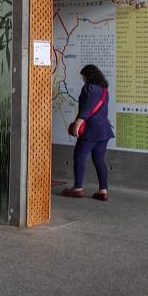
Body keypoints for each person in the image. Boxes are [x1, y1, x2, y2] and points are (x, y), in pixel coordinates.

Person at [62, 64, 114, 201]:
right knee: (99, 160)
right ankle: (103, 190)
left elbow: (88, 108)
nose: (83, 79)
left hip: (91, 129)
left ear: (89, 76)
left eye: (83, 76)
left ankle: (78, 188)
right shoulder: (104, 90)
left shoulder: (89, 88)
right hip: (104, 129)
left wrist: (78, 123)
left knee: (79, 156)